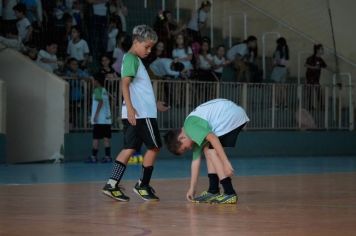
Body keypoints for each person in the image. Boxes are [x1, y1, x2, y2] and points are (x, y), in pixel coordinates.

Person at [102, 25, 169, 202]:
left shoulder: (133, 60)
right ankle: (143, 185)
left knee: (129, 148)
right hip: (142, 115)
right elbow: (124, 84)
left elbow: (137, 89)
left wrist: (154, 104)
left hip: (138, 112)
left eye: (151, 48)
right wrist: (131, 108)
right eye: (146, 46)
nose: (149, 50)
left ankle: (112, 184)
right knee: (154, 146)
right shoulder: (131, 58)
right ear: (136, 42)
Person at [164, 98, 249, 204]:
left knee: (211, 151)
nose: (189, 148)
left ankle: (229, 192)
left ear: (181, 138)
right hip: (232, 113)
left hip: (231, 115)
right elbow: (195, 162)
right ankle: (213, 190)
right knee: (207, 148)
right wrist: (192, 188)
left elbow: (213, 138)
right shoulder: (191, 129)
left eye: (185, 148)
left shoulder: (191, 128)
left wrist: (226, 163)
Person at [86, 73, 113, 163]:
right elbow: (113, 98)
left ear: (96, 81)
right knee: (106, 139)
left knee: (96, 139)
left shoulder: (97, 90)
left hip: (99, 120)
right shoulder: (104, 90)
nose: (92, 81)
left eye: (93, 80)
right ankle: (108, 157)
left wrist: (96, 115)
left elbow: (100, 102)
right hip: (107, 119)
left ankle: (93, 157)